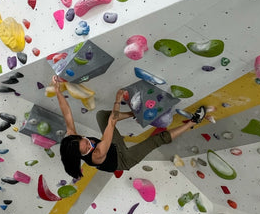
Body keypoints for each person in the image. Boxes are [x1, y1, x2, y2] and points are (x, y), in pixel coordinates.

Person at [52, 75, 206, 179]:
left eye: (83, 139)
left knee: (101, 116)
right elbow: (112, 121)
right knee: (157, 140)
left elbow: (67, 113)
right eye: (86, 146)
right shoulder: (96, 154)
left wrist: (58, 90)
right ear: (82, 154)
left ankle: (135, 113)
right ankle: (194, 121)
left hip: (112, 147)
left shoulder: (72, 139)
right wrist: (117, 99)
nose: (88, 142)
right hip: (123, 159)